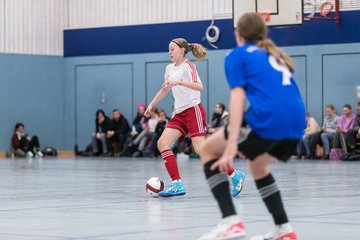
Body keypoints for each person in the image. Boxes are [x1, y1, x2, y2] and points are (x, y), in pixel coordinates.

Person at [198, 13, 305, 240]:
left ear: (238, 34)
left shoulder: (237, 55)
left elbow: (238, 97)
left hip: (269, 118)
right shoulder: (273, 55)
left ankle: (231, 221)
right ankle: (283, 228)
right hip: (296, 122)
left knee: (208, 149)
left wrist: (231, 144)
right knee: (258, 166)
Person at [145, 37, 245, 197]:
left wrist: (180, 82)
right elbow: (164, 89)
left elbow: (199, 86)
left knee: (201, 149)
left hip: (193, 110)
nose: (169, 52)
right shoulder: (169, 68)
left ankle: (234, 174)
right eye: (168, 49)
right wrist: (151, 104)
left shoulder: (188, 66)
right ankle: (177, 183)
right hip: (178, 114)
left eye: (172, 49)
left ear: (182, 50)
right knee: (162, 143)